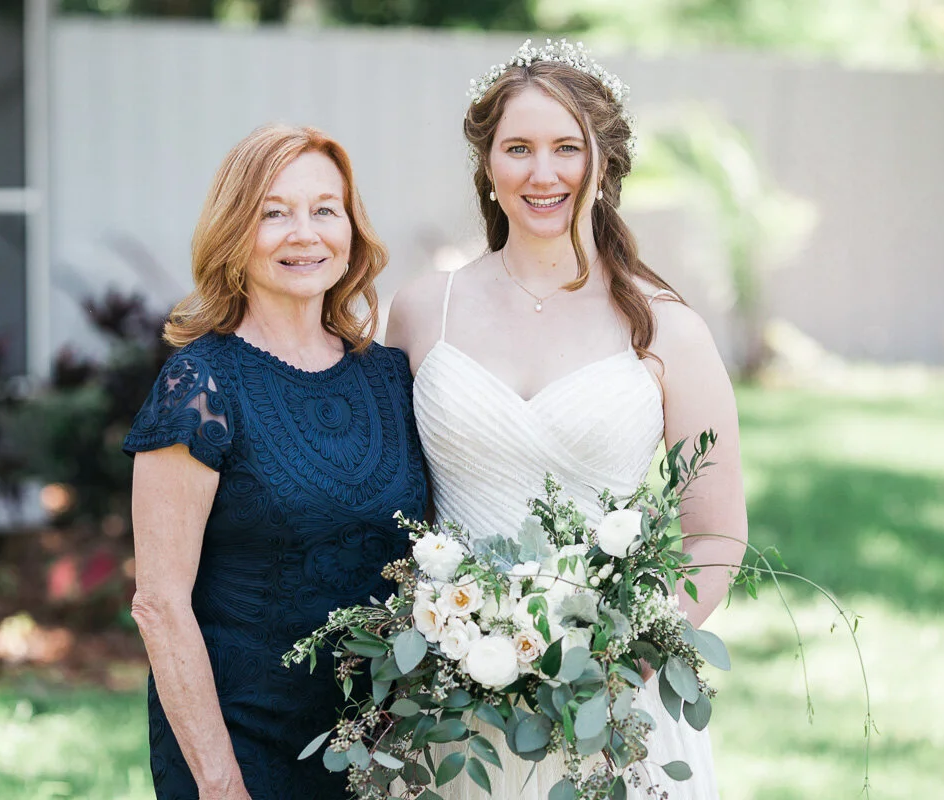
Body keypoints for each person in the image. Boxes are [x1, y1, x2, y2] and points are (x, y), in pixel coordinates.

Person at [387, 41, 747, 799]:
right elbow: (390, 498)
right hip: (451, 709)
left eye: (566, 148)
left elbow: (715, 534)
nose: (542, 173)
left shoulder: (667, 329)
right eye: (518, 148)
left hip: (608, 704)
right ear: (488, 165)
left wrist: (626, 659)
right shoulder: (423, 310)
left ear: (604, 163)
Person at [125, 124, 427, 800]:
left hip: (380, 749)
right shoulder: (200, 385)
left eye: (325, 209)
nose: (304, 233)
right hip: (238, 747)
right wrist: (219, 783)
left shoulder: (391, 379)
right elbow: (159, 604)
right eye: (275, 213)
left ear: (351, 230)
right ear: (236, 231)